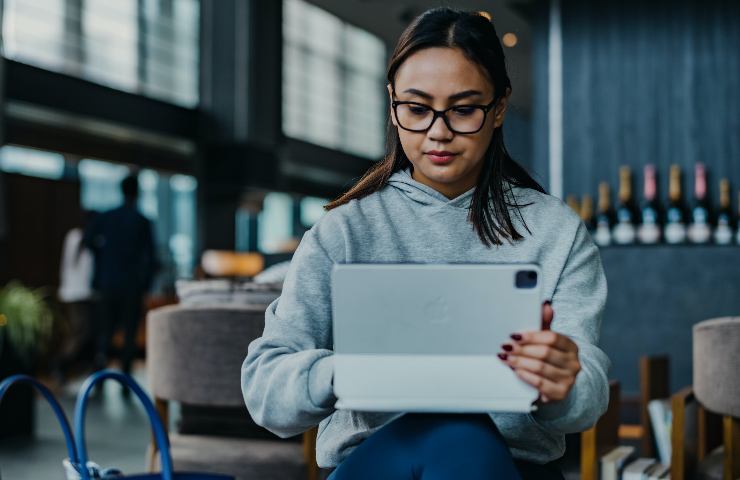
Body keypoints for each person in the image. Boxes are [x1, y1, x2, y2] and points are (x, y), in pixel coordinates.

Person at [242, 8, 609, 480]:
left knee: (463, 434)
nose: (439, 131)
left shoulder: (556, 232)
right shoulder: (343, 231)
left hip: (511, 468)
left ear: (498, 108)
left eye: (463, 109)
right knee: (453, 431)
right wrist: (344, 373)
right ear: (392, 104)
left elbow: (590, 391)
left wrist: (563, 384)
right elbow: (264, 391)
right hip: (377, 464)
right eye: (417, 109)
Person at [84, 175, 158, 378]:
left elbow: (88, 241)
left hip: (107, 282)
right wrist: (146, 285)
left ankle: (98, 378)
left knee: (104, 333)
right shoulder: (142, 221)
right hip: (132, 285)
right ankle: (125, 380)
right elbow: (151, 258)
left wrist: (103, 257)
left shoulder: (106, 217)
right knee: (129, 335)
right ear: (137, 193)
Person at [55, 210, 97, 382]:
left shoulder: (81, 238)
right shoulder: (77, 237)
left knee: (84, 331)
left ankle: (71, 366)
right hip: (76, 293)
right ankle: (60, 364)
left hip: (83, 293)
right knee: (80, 331)